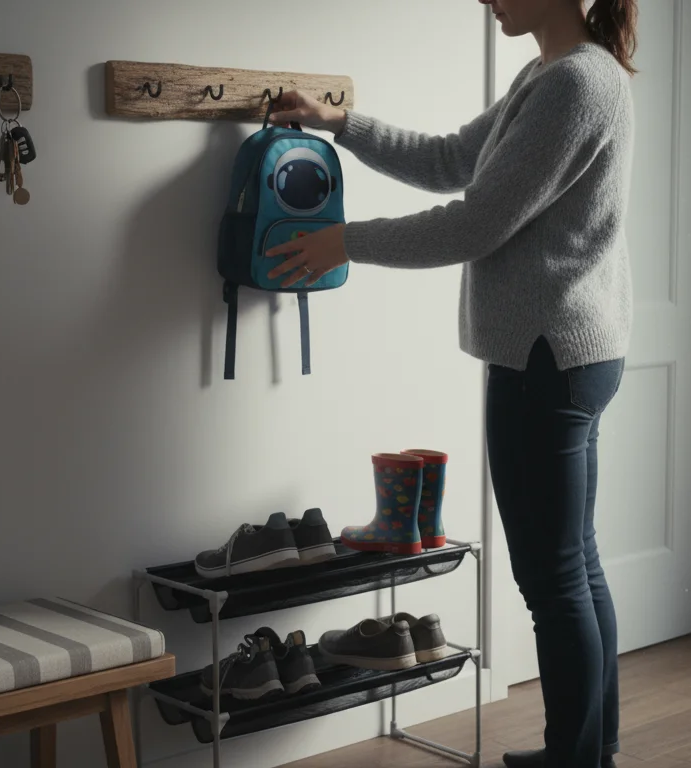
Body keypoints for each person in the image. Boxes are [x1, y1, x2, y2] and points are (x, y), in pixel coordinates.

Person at [267, 0, 637, 765]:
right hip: (569, 355)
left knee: (554, 579)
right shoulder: (552, 75)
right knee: (575, 567)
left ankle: (576, 758)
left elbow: (475, 223)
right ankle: (588, 753)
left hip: (546, 359)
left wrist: (342, 241)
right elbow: (447, 158)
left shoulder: (577, 85)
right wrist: (340, 121)